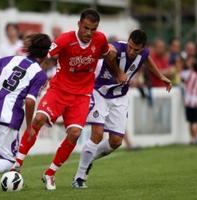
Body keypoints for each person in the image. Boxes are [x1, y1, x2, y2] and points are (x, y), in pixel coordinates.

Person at [11, 8, 127, 190]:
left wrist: (118, 71)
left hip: (82, 95)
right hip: (59, 90)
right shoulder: (65, 39)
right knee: (38, 119)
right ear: (79, 24)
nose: (89, 33)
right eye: (86, 28)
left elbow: (107, 54)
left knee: (74, 133)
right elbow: (44, 56)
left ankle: (50, 173)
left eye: (93, 29)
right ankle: (17, 164)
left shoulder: (100, 39)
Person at [72, 29, 172, 188]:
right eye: (130, 47)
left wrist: (161, 77)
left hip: (120, 97)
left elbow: (148, 60)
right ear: (128, 41)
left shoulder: (144, 53)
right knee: (97, 134)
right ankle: (79, 177)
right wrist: (118, 72)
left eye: (136, 49)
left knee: (116, 141)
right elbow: (109, 50)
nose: (132, 51)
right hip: (100, 92)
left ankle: (88, 159)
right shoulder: (116, 48)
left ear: (143, 48)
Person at [0, 33, 51, 199]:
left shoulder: (11, 59)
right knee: (10, 160)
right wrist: (30, 125)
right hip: (8, 117)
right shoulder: (39, 74)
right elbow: (31, 101)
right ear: (46, 53)